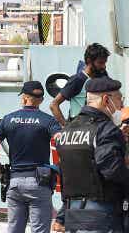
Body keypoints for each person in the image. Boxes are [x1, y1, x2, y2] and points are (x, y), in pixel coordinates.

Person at [0, 81, 61, 233]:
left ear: (24, 98)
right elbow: (62, 143)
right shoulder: (48, 121)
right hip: (40, 183)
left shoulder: (8, 119)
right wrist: (58, 167)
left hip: (14, 182)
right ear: (41, 100)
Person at [55, 77, 129, 232]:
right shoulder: (105, 129)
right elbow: (112, 170)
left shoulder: (68, 130)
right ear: (106, 99)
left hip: (73, 213)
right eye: (119, 99)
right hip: (101, 214)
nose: (121, 105)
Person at [50, 43, 110, 127]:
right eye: (100, 63)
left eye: (104, 62)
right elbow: (54, 105)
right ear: (89, 61)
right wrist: (67, 127)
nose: (104, 66)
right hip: (79, 127)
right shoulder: (77, 80)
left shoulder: (102, 77)